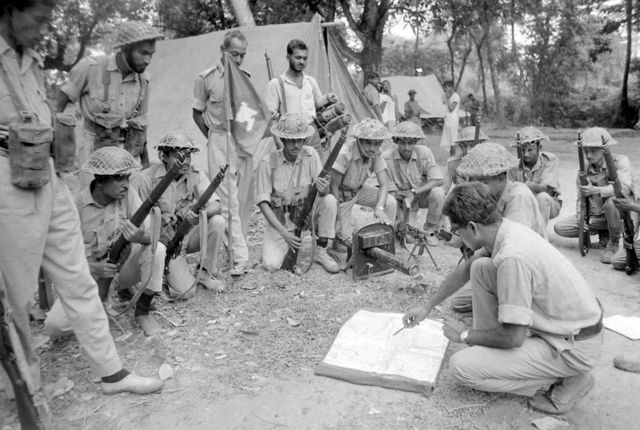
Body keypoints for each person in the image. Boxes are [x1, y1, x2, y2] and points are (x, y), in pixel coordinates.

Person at [0, 0, 163, 405]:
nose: (44, 29)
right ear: (8, 11)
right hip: (14, 175)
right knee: (16, 291)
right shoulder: (88, 68)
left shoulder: (31, 58)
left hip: (53, 174)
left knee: (78, 278)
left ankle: (111, 371)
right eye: (37, 19)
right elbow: (61, 105)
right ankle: (23, 385)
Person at [402, 182, 603, 415]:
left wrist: (465, 335)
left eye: (457, 231)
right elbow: (467, 268)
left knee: (461, 368)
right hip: (572, 328)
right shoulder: (505, 230)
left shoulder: (511, 257)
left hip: (574, 346)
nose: (457, 237)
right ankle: (500, 354)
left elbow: (513, 337)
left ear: (472, 227)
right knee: (480, 267)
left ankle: (568, 377)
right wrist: (428, 306)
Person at [45, 147, 165, 337]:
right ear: (100, 180)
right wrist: (93, 268)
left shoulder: (128, 195)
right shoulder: (74, 206)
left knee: (157, 250)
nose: (126, 184)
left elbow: (152, 235)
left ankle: (142, 311)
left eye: (127, 177)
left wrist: (137, 236)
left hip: (122, 270)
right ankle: (95, 308)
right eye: (119, 178)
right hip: (88, 277)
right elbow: (61, 257)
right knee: (55, 326)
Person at [56, 20, 163, 186]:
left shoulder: (144, 81)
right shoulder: (91, 67)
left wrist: (146, 165)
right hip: (92, 148)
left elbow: (141, 126)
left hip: (125, 150)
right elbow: (59, 105)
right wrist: (56, 151)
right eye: (143, 53)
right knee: (91, 200)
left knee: (125, 205)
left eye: (151, 54)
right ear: (126, 48)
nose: (148, 60)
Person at [451, 142, 547, 313]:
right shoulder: (489, 196)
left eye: (481, 181)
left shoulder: (518, 197)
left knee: (480, 268)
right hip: (503, 259)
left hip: (525, 270)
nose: (474, 186)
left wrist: (477, 256)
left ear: (501, 178)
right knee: (459, 302)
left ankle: (516, 305)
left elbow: (512, 251)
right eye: (471, 180)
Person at [131, 132, 225, 298]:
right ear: (163, 156)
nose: (185, 161)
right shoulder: (145, 179)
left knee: (217, 221)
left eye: (188, 156)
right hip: (155, 244)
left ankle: (204, 272)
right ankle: (158, 271)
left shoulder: (195, 174)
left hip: (182, 240)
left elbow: (217, 206)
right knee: (184, 292)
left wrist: (199, 214)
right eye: (178, 156)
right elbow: (135, 220)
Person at [192, 29, 251, 276]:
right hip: (217, 139)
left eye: (242, 55)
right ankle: (240, 257)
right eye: (234, 54)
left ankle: (233, 253)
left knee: (238, 198)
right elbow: (197, 112)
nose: (238, 60)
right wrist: (212, 138)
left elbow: (249, 114)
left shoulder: (244, 78)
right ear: (222, 50)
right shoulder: (206, 78)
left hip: (239, 141)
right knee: (228, 202)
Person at [255, 113, 340, 273]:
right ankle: (295, 247)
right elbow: (263, 204)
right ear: (283, 140)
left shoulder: (311, 155)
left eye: (300, 140)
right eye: (291, 140)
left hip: (306, 219)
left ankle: (321, 251)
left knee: (329, 200)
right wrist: (283, 233)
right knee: (271, 264)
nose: (296, 145)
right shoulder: (268, 163)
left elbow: (323, 191)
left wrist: (324, 189)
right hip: (281, 226)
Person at [554, 127, 634, 264]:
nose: (589, 155)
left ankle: (614, 243)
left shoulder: (620, 162)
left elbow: (624, 190)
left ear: (604, 149)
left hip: (621, 213)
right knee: (560, 228)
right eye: (586, 151)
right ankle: (604, 233)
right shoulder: (584, 170)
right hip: (596, 216)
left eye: (593, 150)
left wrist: (596, 190)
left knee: (612, 202)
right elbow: (580, 198)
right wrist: (581, 220)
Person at [330, 118, 397, 239]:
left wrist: (379, 208)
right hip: (340, 196)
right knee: (344, 240)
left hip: (358, 190)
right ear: (359, 141)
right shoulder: (345, 153)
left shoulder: (376, 153)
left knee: (390, 202)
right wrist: (337, 216)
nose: (372, 148)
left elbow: (384, 184)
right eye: (368, 142)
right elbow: (333, 186)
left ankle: (382, 238)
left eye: (377, 143)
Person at [383, 121, 445, 246]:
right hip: (402, 203)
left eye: (410, 143)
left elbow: (438, 180)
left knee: (438, 193)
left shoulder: (424, 153)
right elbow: (389, 194)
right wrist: (401, 220)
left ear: (416, 142)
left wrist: (414, 192)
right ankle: (402, 226)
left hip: (420, 197)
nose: (406, 147)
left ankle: (430, 229)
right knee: (409, 237)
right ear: (396, 141)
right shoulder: (386, 158)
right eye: (402, 143)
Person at [265, 39, 322, 152]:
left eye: (305, 58)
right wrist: (279, 143)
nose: (302, 62)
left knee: (317, 169)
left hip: (312, 134)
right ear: (288, 57)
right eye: (298, 58)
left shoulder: (311, 81)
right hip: (290, 137)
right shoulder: (275, 84)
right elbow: (271, 119)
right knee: (293, 169)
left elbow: (320, 107)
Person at [508, 127, 561, 225]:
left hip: (548, 203)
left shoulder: (550, 160)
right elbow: (509, 193)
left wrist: (526, 185)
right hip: (524, 204)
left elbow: (545, 188)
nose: (525, 154)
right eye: (522, 150)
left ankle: (540, 237)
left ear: (539, 147)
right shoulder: (513, 166)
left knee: (542, 197)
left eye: (530, 150)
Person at [445, 126, 488, 192]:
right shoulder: (454, 163)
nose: (468, 151)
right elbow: (445, 189)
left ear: (481, 144)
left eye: (472, 145)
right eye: (465, 146)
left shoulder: (489, 162)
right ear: (460, 146)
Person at [440, 80, 460, 156]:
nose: (445, 89)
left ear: (450, 87)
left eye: (446, 87)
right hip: (447, 119)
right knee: (448, 138)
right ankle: (451, 155)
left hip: (453, 119)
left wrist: (448, 99)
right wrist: (446, 95)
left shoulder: (456, 96)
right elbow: (442, 101)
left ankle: (454, 156)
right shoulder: (447, 96)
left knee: (453, 138)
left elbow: (451, 109)